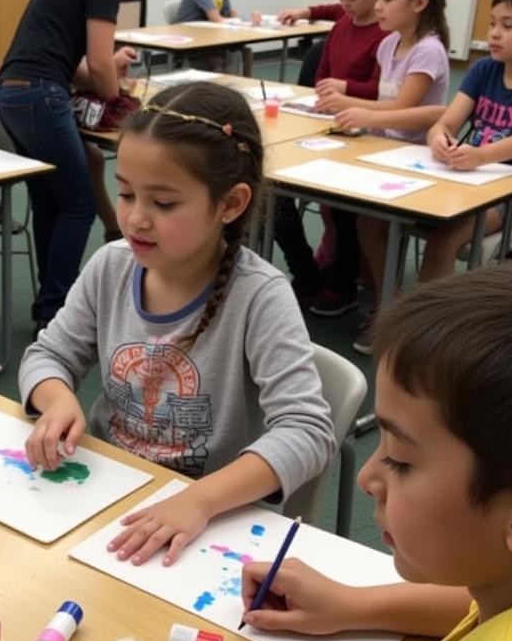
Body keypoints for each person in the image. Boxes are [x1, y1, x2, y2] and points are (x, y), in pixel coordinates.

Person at [230, 265, 512, 641]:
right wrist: (348, 605)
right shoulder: (498, 586)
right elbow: (468, 601)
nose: (366, 477)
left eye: (403, 462)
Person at [18, 82, 334, 568]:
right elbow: (47, 355)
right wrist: (57, 400)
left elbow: (307, 430)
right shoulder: (111, 266)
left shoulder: (259, 296)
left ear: (230, 204)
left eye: (163, 204)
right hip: (105, 486)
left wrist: (199, 500)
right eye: (124, 193)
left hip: (205, 517)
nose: (135, 219)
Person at [0, 0, 148, 331]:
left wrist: (106, 72)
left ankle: (48, 305)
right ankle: (57, 311)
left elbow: (75, 64)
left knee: (50, 200)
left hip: (13, 93)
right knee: (80, 205)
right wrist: (120, 97)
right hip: (41, 96)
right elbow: (100, 63)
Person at [317, 0, 450, 354]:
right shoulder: (389, 42)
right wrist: (355, 109)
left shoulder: (428, 50)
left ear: (420, 3)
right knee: (352, 212)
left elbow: (403, 107)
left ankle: (388, 305)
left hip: (412, 157)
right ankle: (380, 292)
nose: (378, 7)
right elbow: (382, 98)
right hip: (382, 148)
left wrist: (360, 109)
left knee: (370, 220)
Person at [274, 0, 389, 315]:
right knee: (273, 190)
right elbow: (323, 72)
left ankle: (342, 285)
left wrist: (344, 91)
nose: (345, 4)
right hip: (325, 124)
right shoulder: (343, 21)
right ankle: (307, 273)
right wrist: (325, 91)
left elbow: (381, 89)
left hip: (360, 132)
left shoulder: (386, 35)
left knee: (344, 209)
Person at [421, 0, 512, 280]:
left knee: (444, 238)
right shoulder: (483, 70)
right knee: (381, 217)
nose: (494, 33)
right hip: (468, 180)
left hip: (507, 195)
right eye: (491, 23)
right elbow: (445, 124)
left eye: (508, 25)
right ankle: (382, 295)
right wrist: (439, 139)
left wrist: (482, 155)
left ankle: (429, 324)